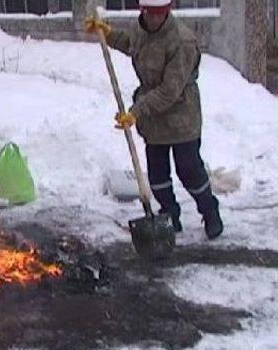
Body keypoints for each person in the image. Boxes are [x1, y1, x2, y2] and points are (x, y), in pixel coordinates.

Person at [86, 0, 223, 239]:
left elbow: (170, 91)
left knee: (189, 171)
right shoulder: (142, 29)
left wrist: (137, 111)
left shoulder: (182, 41)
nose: (153, 19)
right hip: (154, 119)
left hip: (181, 115)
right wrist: (107, 34)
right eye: (149, 13)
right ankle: (169, 215)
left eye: (159, 14)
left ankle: (210, 212)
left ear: (167, 11)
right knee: (158, 175)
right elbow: (132, 44)